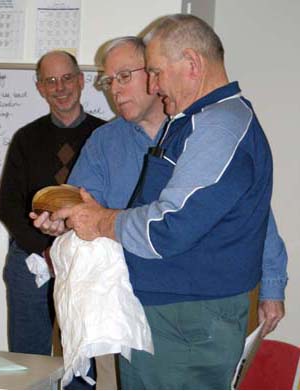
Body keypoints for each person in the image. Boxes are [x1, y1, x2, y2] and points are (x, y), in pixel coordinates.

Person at [34, 16, 286, 389]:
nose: (154, 84)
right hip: (165, 312)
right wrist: (72, 217)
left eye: (154, 72)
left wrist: (102, 221)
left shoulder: (216, 127)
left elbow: (167, 228)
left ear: (192, 64)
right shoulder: (187, 125)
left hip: (184, 317)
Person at [0, 50, 106, 389]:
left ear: (81, 80)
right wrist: (46, 251)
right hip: (31, 262)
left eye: (67, 78)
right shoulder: (26, 138)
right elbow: (7, 206)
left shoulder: (106, 137)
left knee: (81, 357)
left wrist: (69, 251)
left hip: (85, 261)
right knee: (28, 361)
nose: (60, 88)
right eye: (51, 81)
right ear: (40, 87)